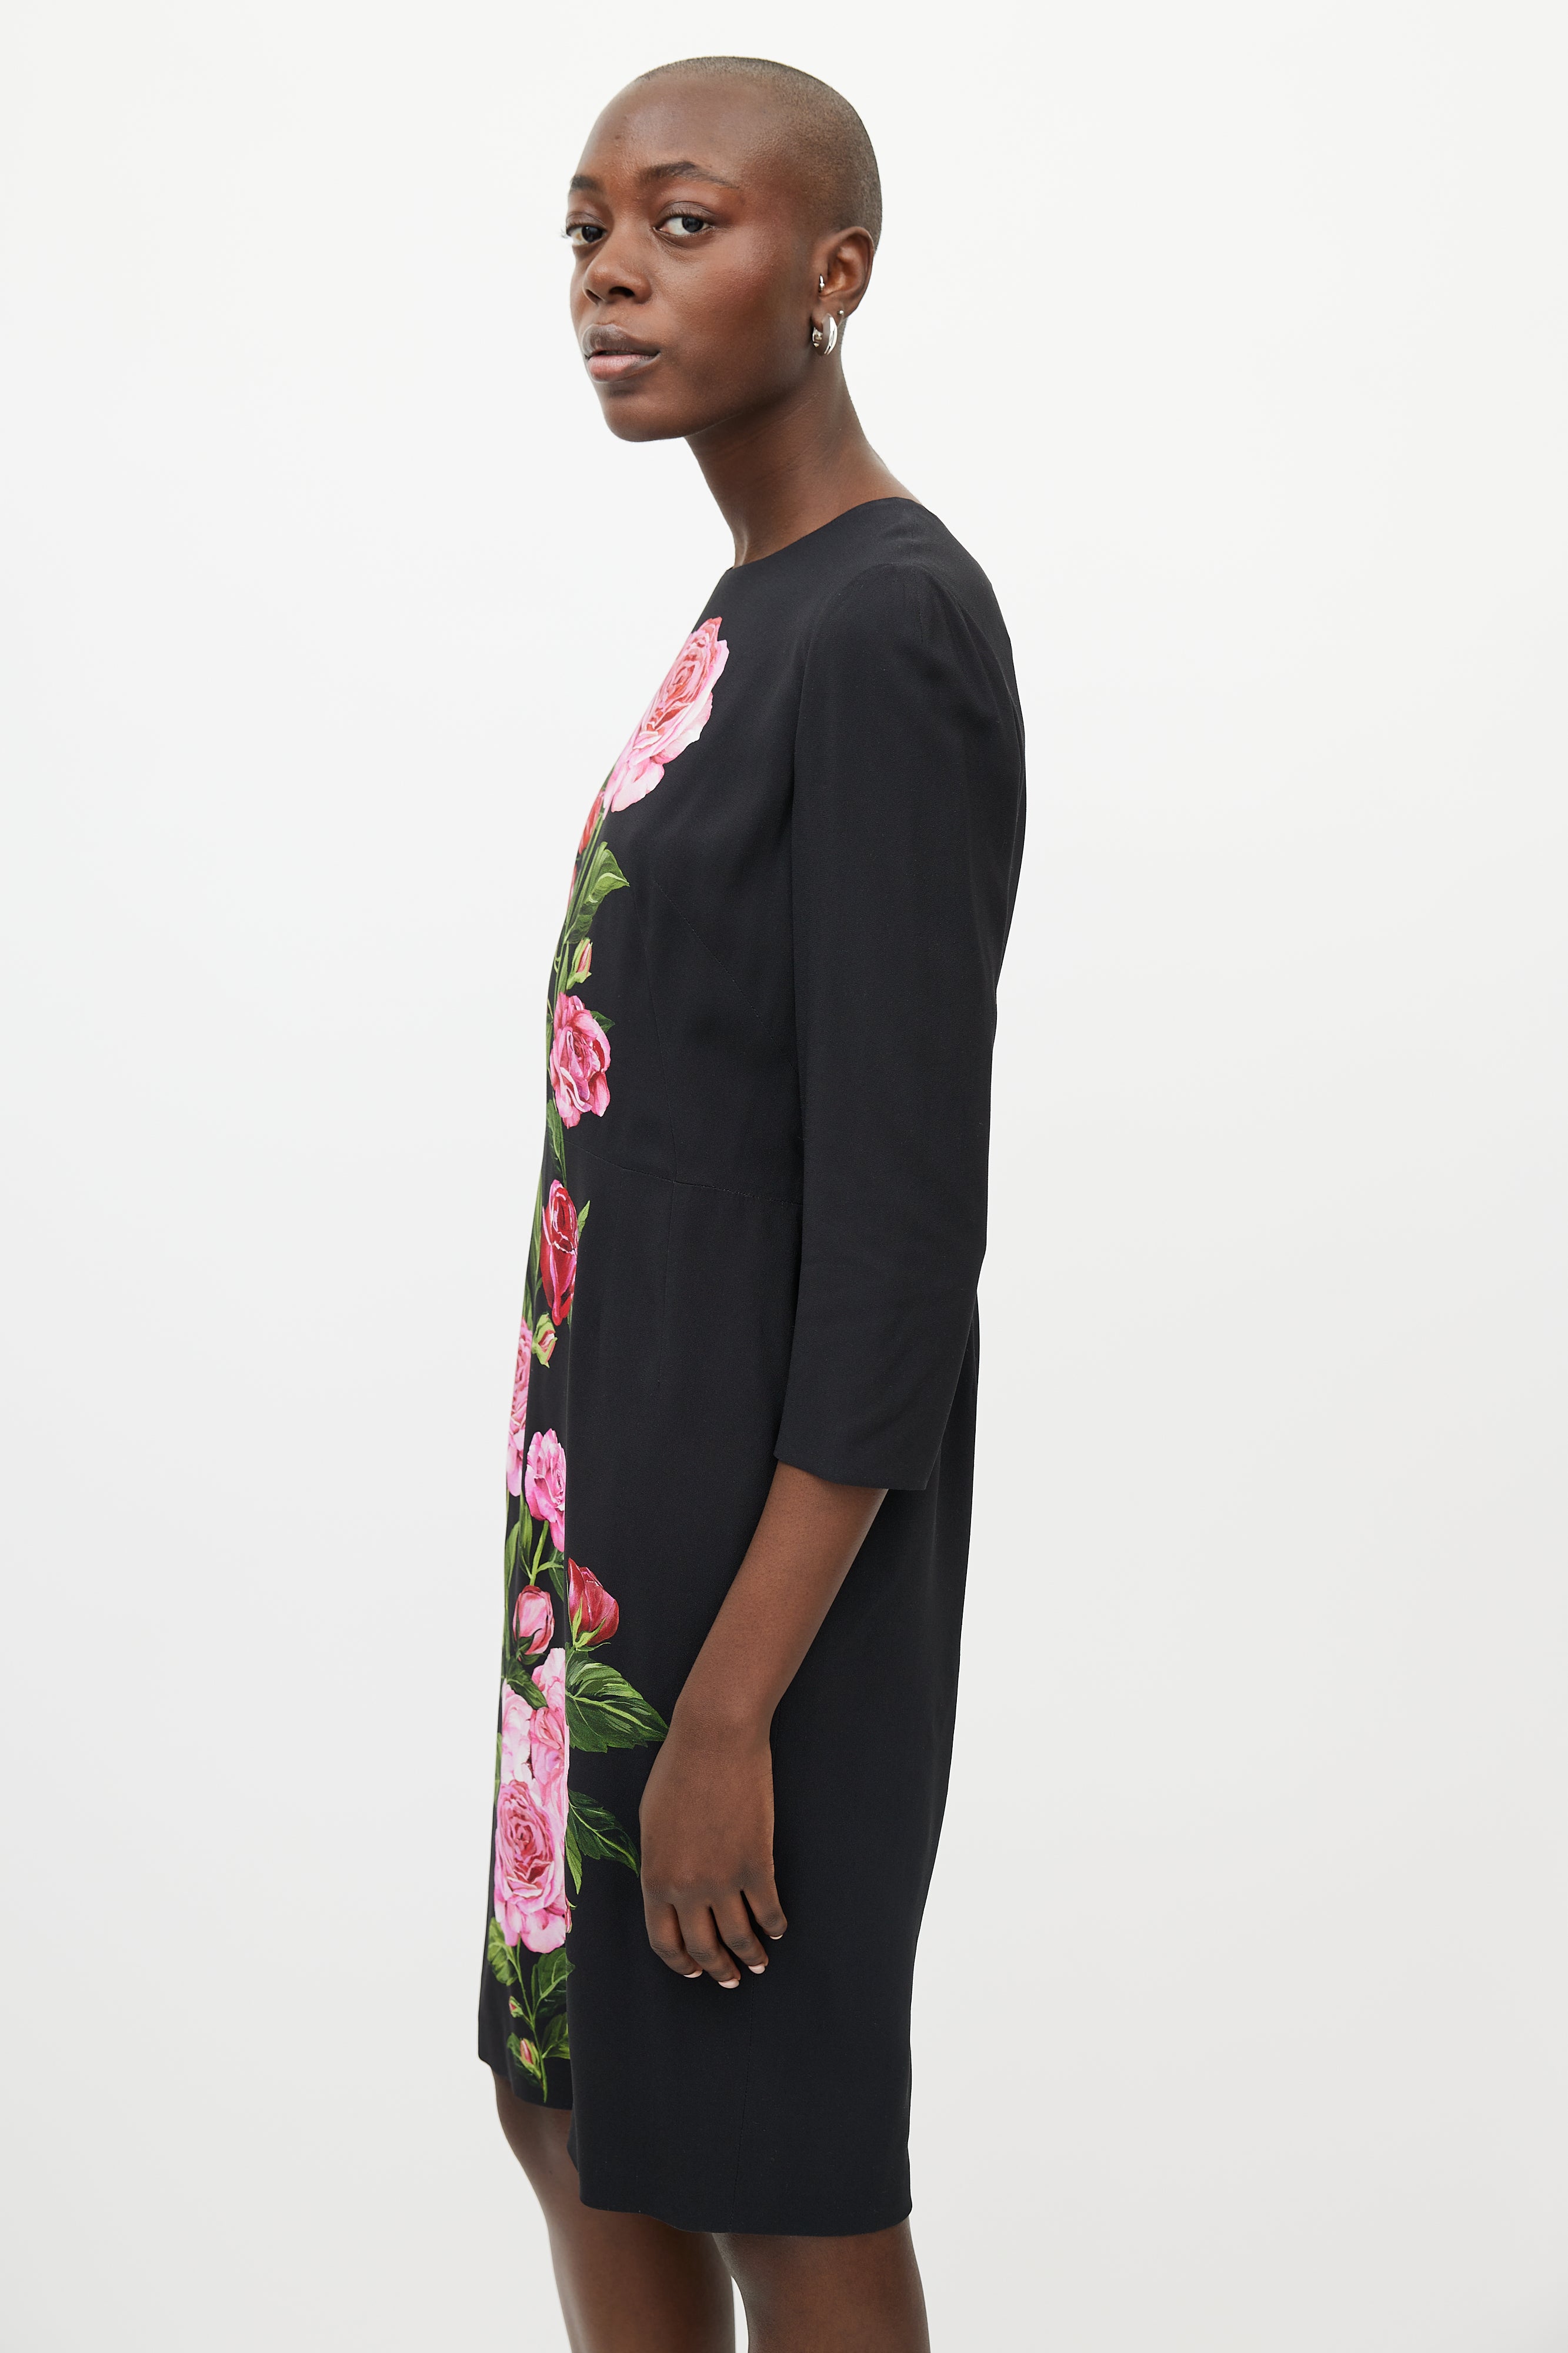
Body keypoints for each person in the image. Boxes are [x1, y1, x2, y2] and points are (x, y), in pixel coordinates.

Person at [479, 54, 1025, 2353]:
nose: (611, 272)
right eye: (586, 226)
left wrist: (726, 1714)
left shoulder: (886, 624)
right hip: (608, 1557)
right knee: (577, 2111)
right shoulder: (757, 614)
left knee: (775, 2168)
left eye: (680, 223)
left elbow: (899, 1244)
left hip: (752, 1610)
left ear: (835, 273)